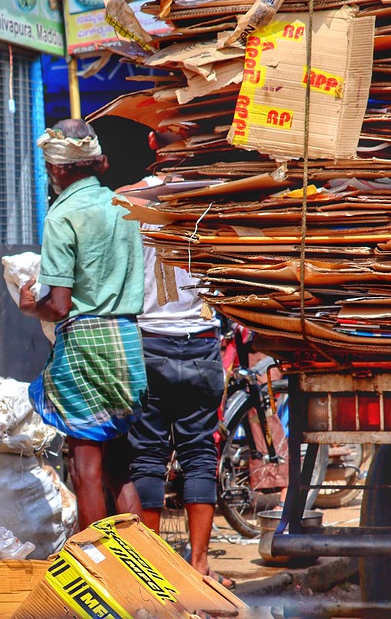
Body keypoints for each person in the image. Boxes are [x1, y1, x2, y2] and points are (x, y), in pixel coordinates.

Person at [19, 119, 148, 530]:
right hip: (127, 343)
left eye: (48, 167)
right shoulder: (121, 206)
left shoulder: (63, 216)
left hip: (86, 345)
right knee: (117, 468)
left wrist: (29, 307)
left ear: (58, 169)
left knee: (85, 469)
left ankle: (98, 565)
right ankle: (144, 566)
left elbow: (59, 306)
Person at [129, 243, 234, 589]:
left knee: (147, 456)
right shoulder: (201, 208)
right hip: (201, 343)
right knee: (200, 453)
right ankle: (199, 564)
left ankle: (149, 569)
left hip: (150, 341)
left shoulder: (136, 207)